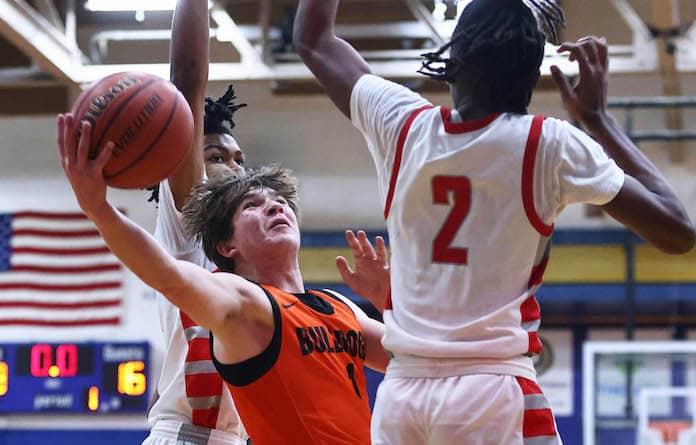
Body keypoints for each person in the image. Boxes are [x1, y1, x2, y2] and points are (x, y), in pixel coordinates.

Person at [293, 0, 696, 443]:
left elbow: (313, 39)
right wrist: (598, 120)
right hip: (493, 390)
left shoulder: (401, 122)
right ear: (530, 72)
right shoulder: (549, 144)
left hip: (401, 397)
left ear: (454, 59)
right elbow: (677, 230)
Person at [57, 109, 389, 444]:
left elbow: (419, 359)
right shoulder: (242, 301)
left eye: (279, 201)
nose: (274, 207)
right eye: (252, 206)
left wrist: (390, 302)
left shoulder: (337, 305)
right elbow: (167, 275)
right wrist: (99, 209)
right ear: (227, 245)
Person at [143, 1, 248, 443]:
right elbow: (186, 81)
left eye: (240, 158)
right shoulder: (190, 227)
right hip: (187, 436)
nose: (237, 168)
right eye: (216, 157)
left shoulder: (255, 254)